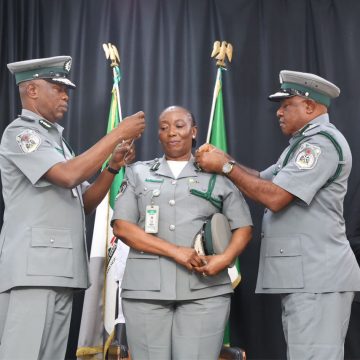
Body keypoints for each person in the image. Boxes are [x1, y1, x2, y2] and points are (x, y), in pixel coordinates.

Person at [195, 70, 360, 360]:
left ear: (309, 106)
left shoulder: (319, 145)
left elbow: (275, 197)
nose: (279, 112)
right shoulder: (299, 145)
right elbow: (261, 178)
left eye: (286, 104)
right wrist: (225, 159)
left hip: (318, 279)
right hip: (308, 279)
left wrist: (224, 167)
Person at [0, 56, 145, 360]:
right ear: (33, 90)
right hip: (33, 272)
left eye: (66, 90)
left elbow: (86, 202)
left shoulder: (58, 143)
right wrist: (117, 133)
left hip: (59, 270)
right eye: (57, 87)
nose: (65, 95)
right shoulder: (22, 134)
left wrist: (111, 167)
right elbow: (68, 176)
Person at [111, 105, 252, 360]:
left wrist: (225, 258)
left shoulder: (217, 175)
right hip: (146, 292)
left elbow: (243, 226)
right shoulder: (137, 173)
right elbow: (122, 226)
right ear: (158, 135)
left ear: (194, 131)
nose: (171, 133)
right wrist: (177, 252)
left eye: (179, 126)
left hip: (205, 291)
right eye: (164, 128)